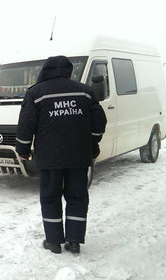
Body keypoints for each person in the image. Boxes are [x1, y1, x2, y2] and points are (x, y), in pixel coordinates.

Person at [15, 56, 107, 254]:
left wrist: (22, 149)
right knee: (77, 197)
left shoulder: (36, 93)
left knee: (50, 197)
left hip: (49, 159)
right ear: (68, 70)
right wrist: (93, 143)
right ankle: (74, 240)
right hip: (79, 156)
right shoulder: (85, 91)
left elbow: (26, 125)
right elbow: (99, 122)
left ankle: (54, 241)